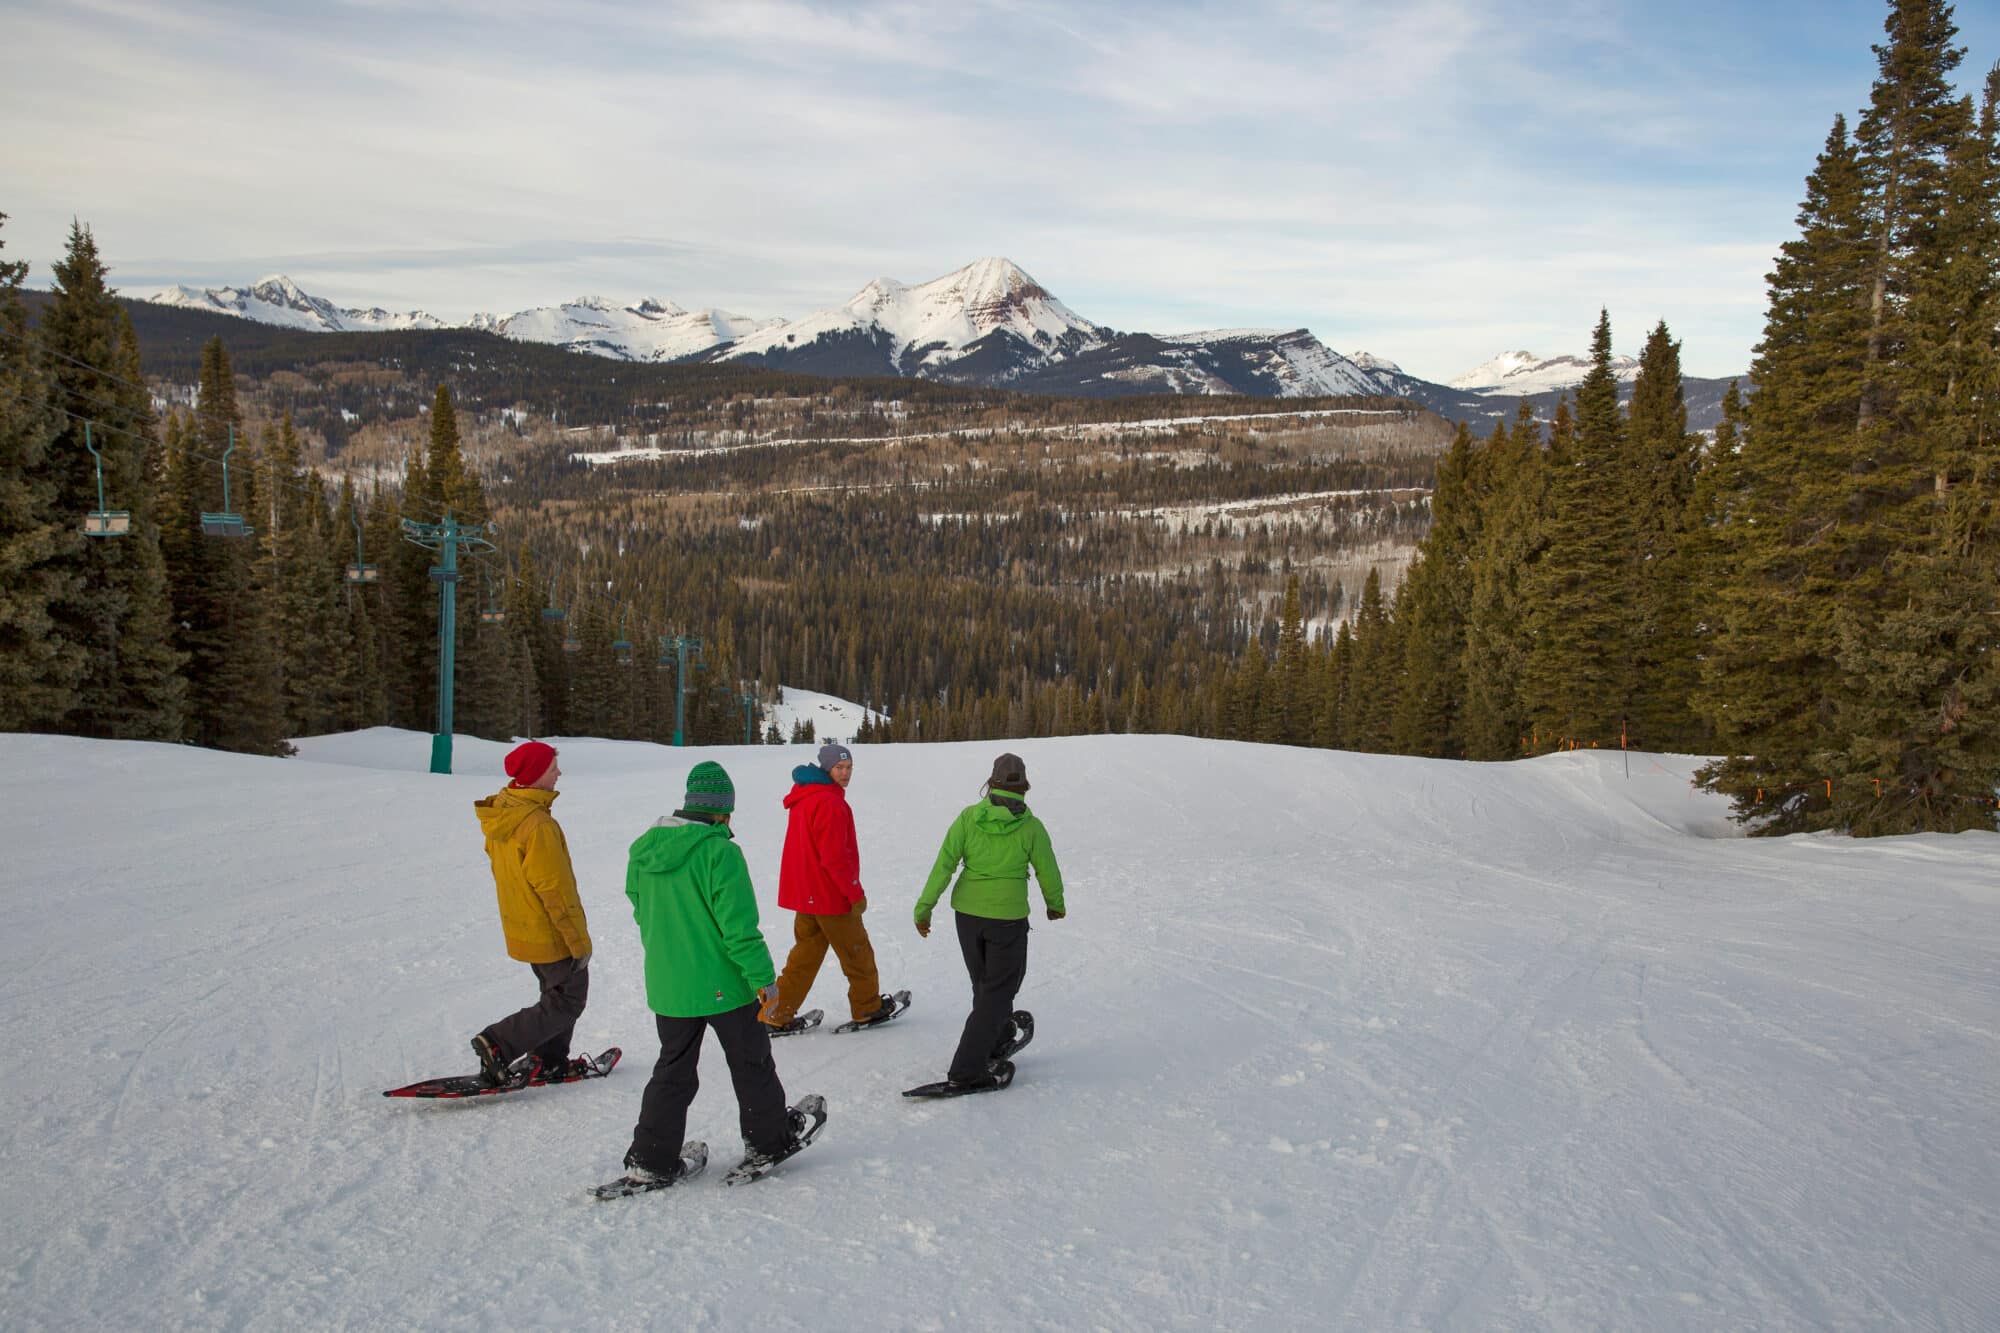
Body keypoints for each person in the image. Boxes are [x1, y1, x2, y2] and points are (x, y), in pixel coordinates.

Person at [618, 761, 809, 1185]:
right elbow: (739, 930)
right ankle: (770, 1139)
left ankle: (651, 1158)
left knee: (672, 1070)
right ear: (723, 811)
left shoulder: (643, 849)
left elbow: (640, 906)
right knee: (751, 1061)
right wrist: (764, 980)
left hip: (669, 985)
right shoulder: (719, 852)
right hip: (725, 985)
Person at [913, 752, 1066, 1090]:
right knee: (998, 992)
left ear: (992, 782)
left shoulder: (969, 818)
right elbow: (1048, 870)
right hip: (1007, 919)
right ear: (1024, 786)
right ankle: (967, 1070)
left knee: (984, 985)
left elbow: (944, 865)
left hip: (967, 917)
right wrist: (1054, 904)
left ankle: (996, 1038)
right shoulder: (1031, 827)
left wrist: (924, 908)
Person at [470, 740, 592, 1086]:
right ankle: (497, 1042)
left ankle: (551, 1059)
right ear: (538, 775)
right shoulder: (537, 825)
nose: (559, 773)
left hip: (523, 927)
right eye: (553, 768)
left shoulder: (504, 813)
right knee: (568, 1000)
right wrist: (578, 943)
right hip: (549, 931)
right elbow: (555, 891)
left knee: (554, 996)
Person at [762, 742, 899, 1031]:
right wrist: (854, 893)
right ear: (826, 768)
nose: (846, 773)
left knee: (804, 956)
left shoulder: (805, 797)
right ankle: (868, 1008)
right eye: (839, 767)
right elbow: (835, 857)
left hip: (806, 894)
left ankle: (776, 1013)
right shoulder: (830, 802)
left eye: (849, 768)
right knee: (857, 953)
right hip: (829, 897)